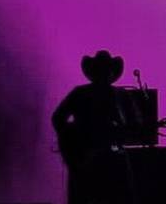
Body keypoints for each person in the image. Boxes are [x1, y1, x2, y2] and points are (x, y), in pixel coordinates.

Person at [52, 50, 129, 204]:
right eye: (102, 70)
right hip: (99, 159)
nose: (104, 74)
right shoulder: (118, 95)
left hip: (90, 159)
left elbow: (58, 118)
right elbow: (58, 118)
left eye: (105, 70)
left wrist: (70, 144)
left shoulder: (80, 93)